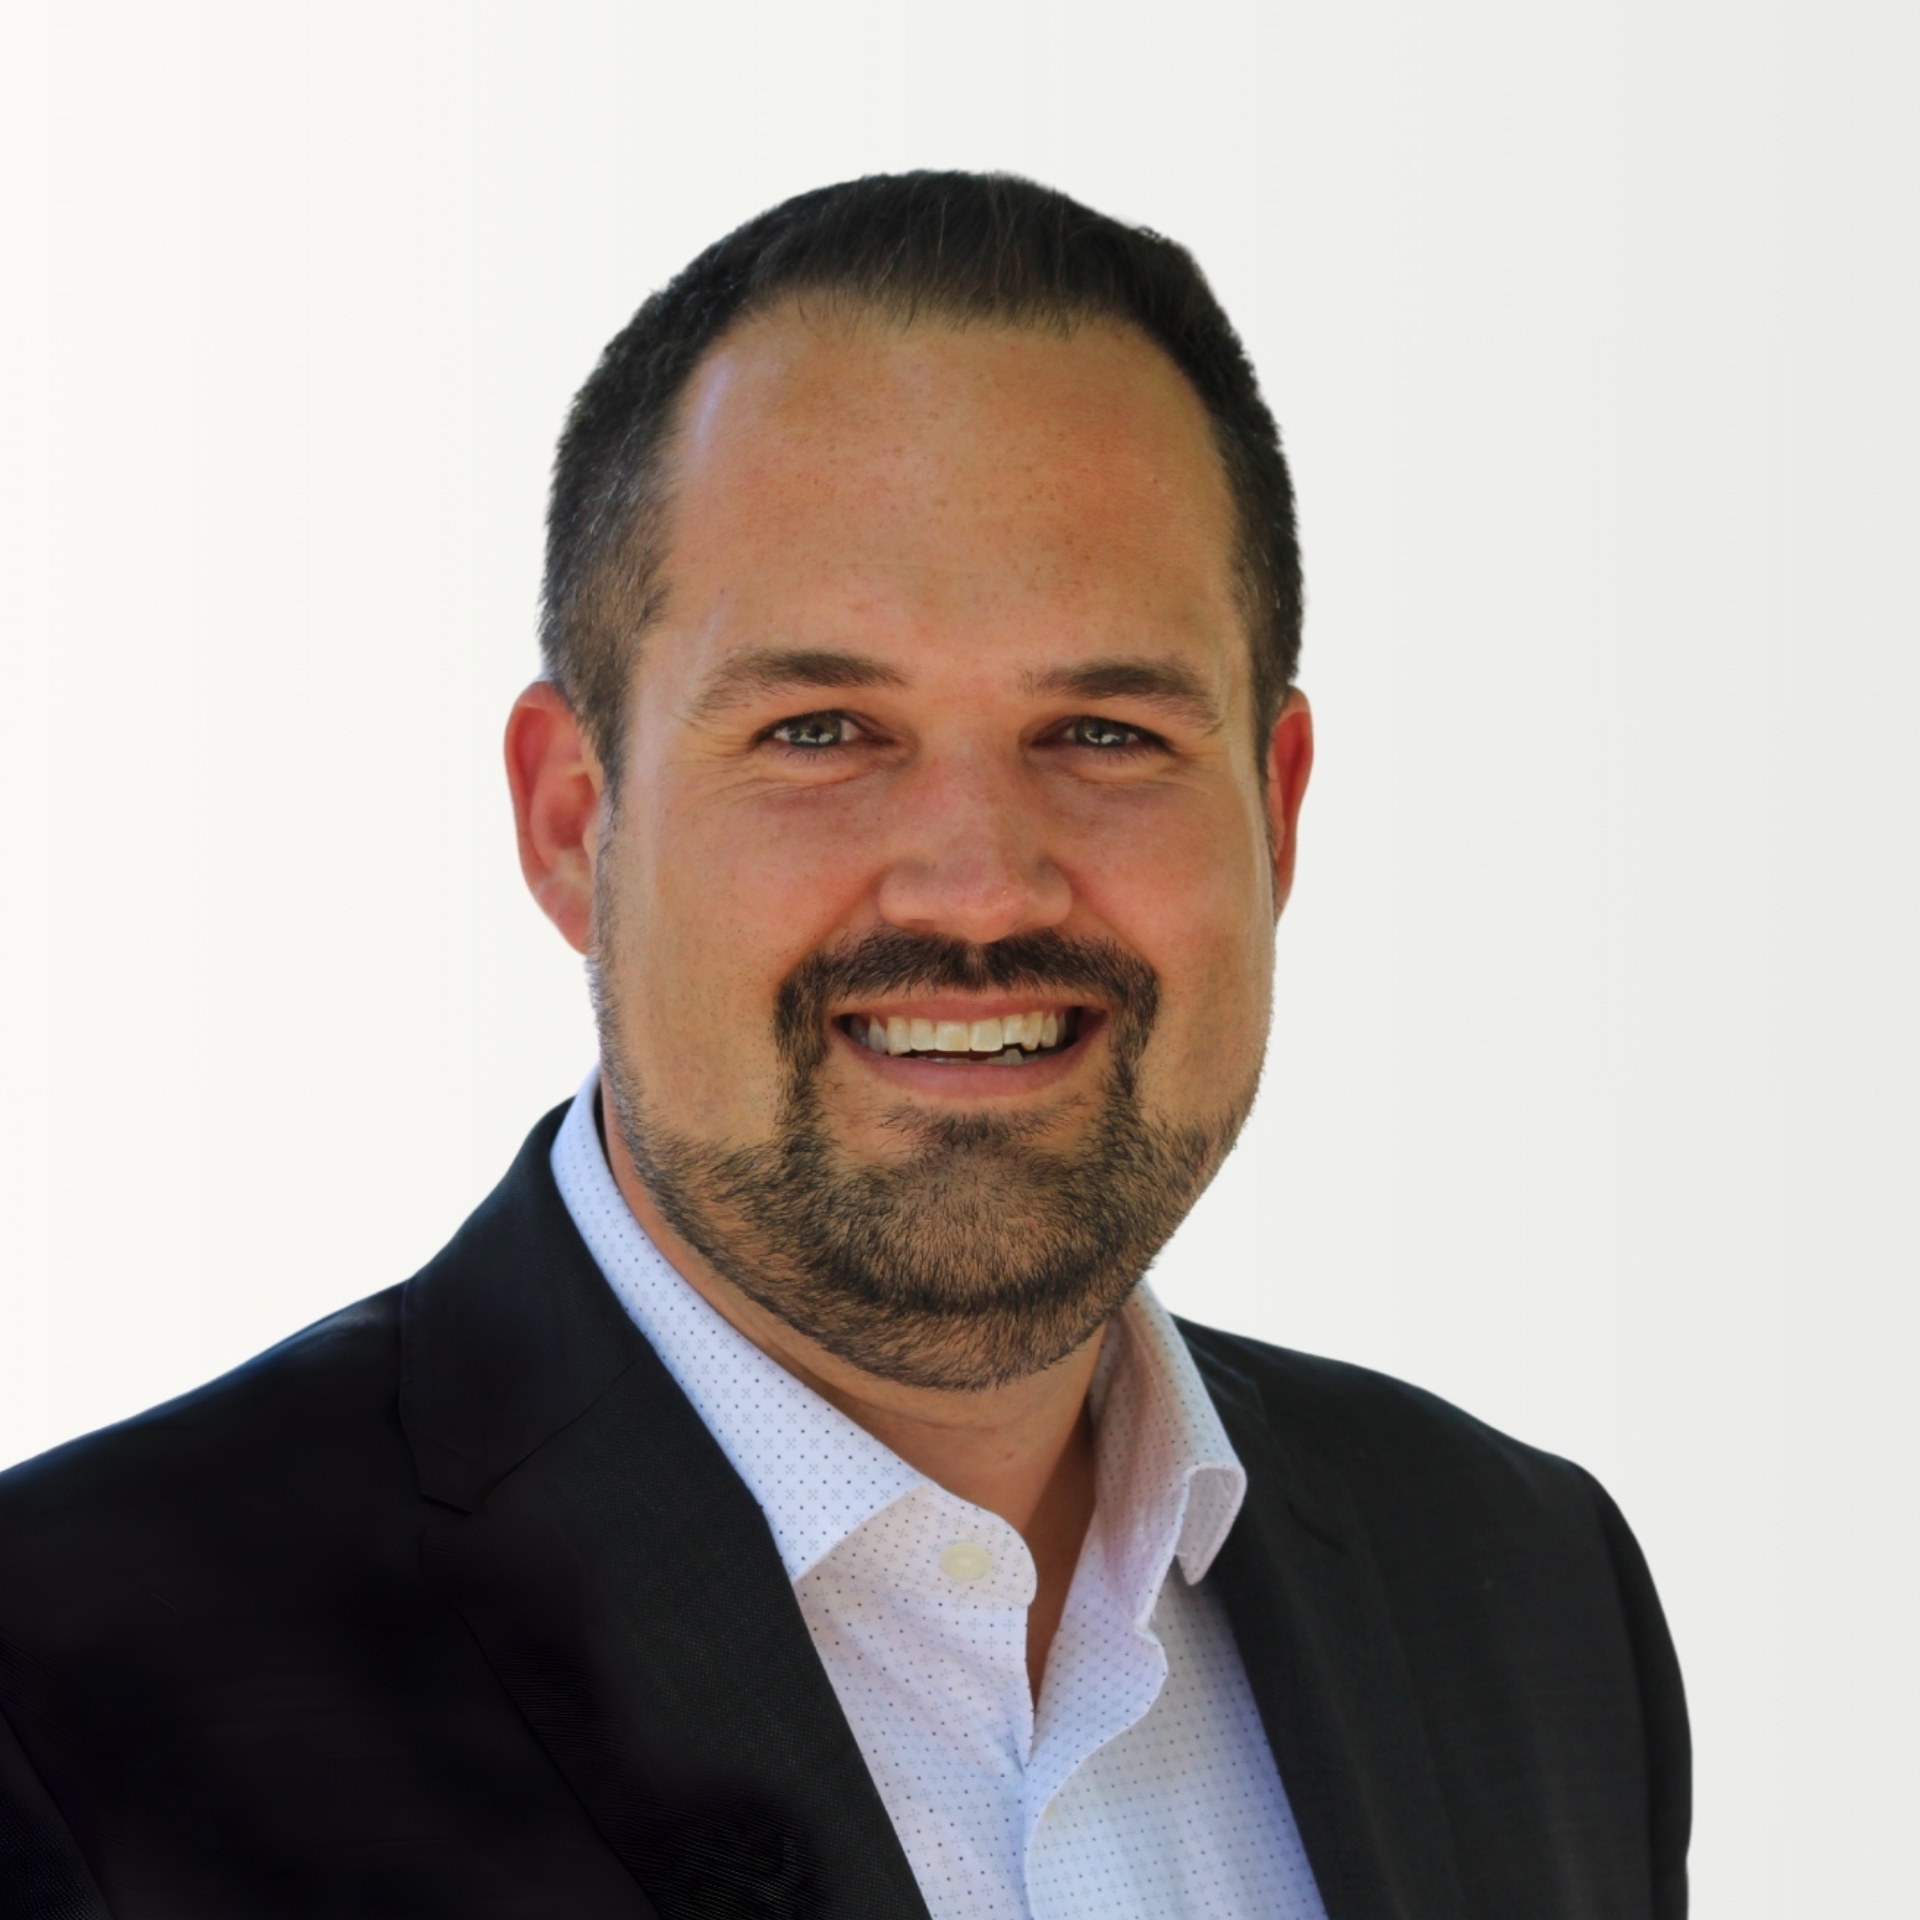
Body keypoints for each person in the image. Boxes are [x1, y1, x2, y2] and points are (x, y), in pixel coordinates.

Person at [0, 172, 1688, 1920]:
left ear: (1275, 812)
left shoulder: (1529, 1598)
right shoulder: (68, 1697)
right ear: (574, 821)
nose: (980, 885)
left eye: (1105, 730)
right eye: (821, 729)